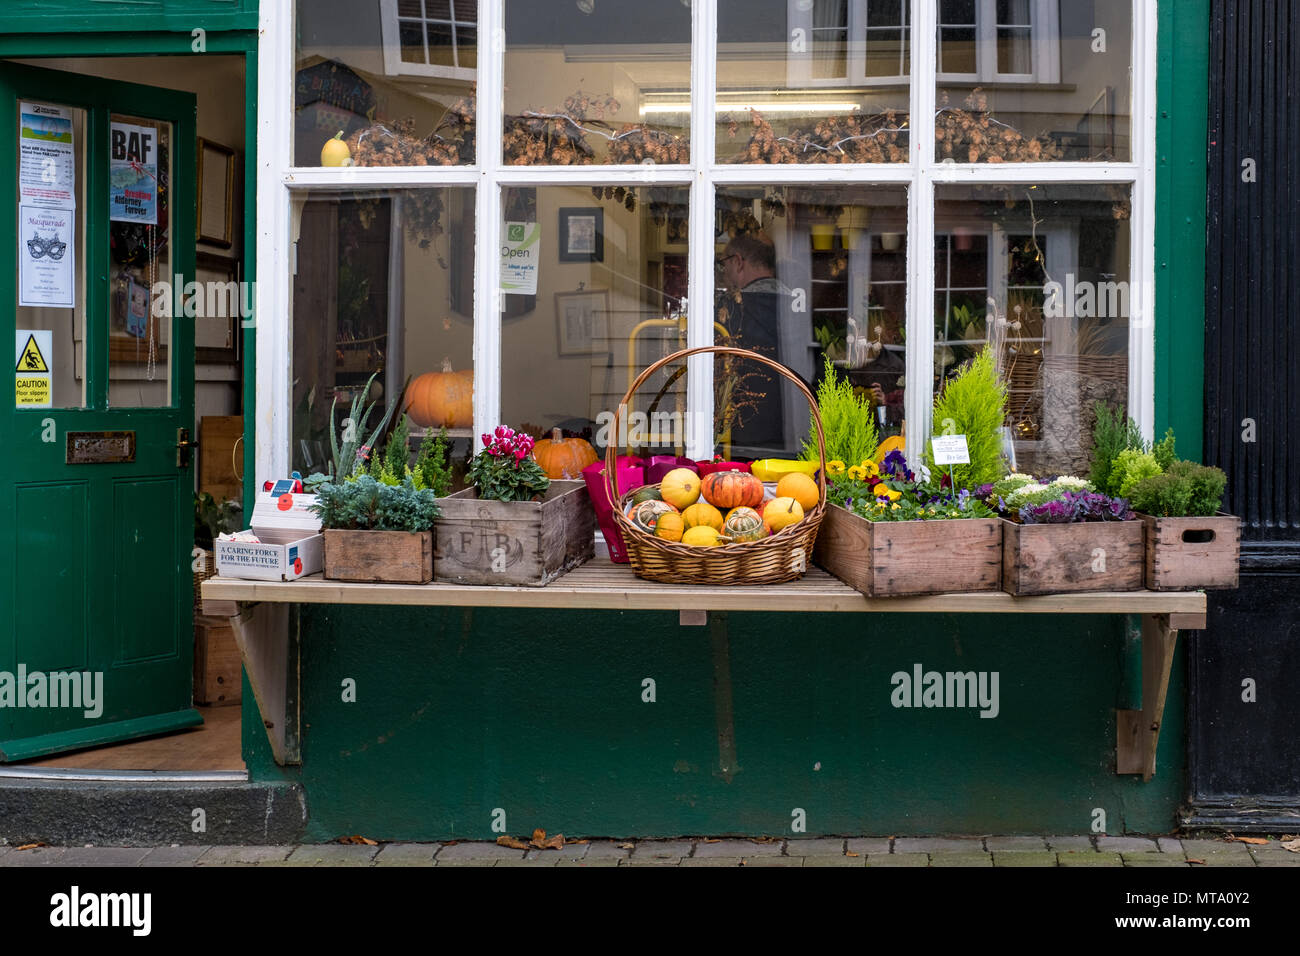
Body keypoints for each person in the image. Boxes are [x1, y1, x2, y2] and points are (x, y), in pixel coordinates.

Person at [714, 235, 797, 454]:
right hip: (795, 425)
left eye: (724, 264)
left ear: (738, 261)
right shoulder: (798, 305)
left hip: (743, 429)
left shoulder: (729, 309)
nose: (724, 273)